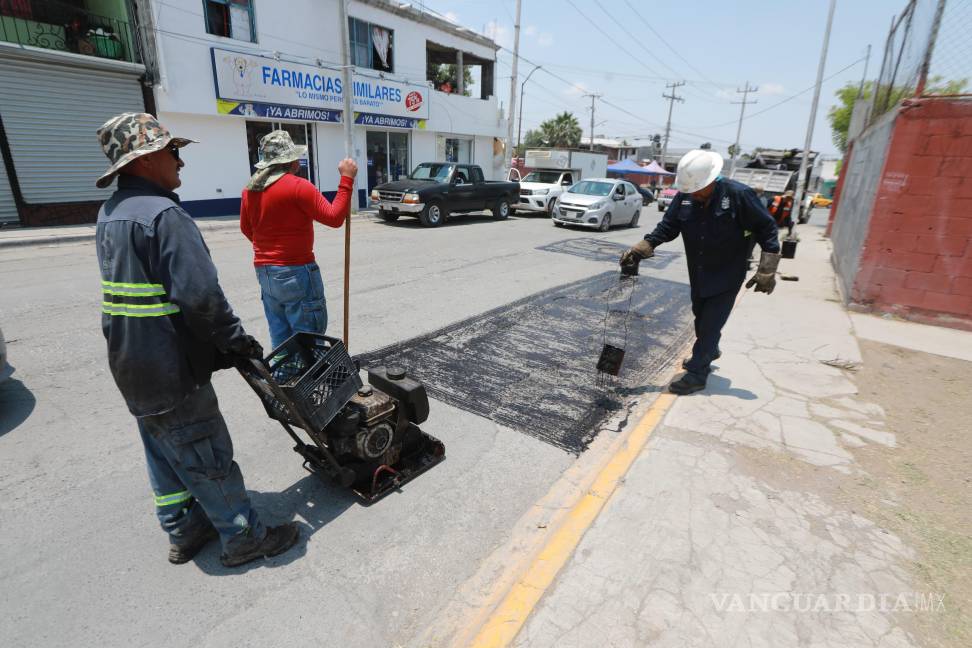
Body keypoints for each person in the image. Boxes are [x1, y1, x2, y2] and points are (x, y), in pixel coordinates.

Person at [95, 113, 299, 567]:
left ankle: (184, 529)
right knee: (206, 451)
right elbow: (200, 297)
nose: (180, 161)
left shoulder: (111, 214)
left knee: (164, 450)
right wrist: (236, 341)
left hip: (131, 363)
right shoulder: (164, 216)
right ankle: (244, 537)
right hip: (170, 365)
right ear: (146, 159)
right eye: (173, 151)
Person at [620, 149, 781, 395]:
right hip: (699, 271)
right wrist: (644, 247)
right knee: (701, 317)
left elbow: (767, 228)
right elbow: (669, 226)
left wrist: (767, 269)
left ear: (712, 180)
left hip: (728, 272)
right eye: (690, 190)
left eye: (698, 189)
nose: (694, 194)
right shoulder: (685, 196)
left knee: (710, 323)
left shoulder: (739, 195)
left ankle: (697, 373)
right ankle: (709, 349)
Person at [240, 130, 358, 351]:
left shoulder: (250, 190)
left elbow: (246, 229)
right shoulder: (298, 186)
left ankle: (285, 373)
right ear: (290, 161)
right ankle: (310, 374)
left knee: (282, 341)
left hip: (266, 272)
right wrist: (347, 179)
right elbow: (334, 218)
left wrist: (270, 248)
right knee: (308, 342)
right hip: (296, 272)